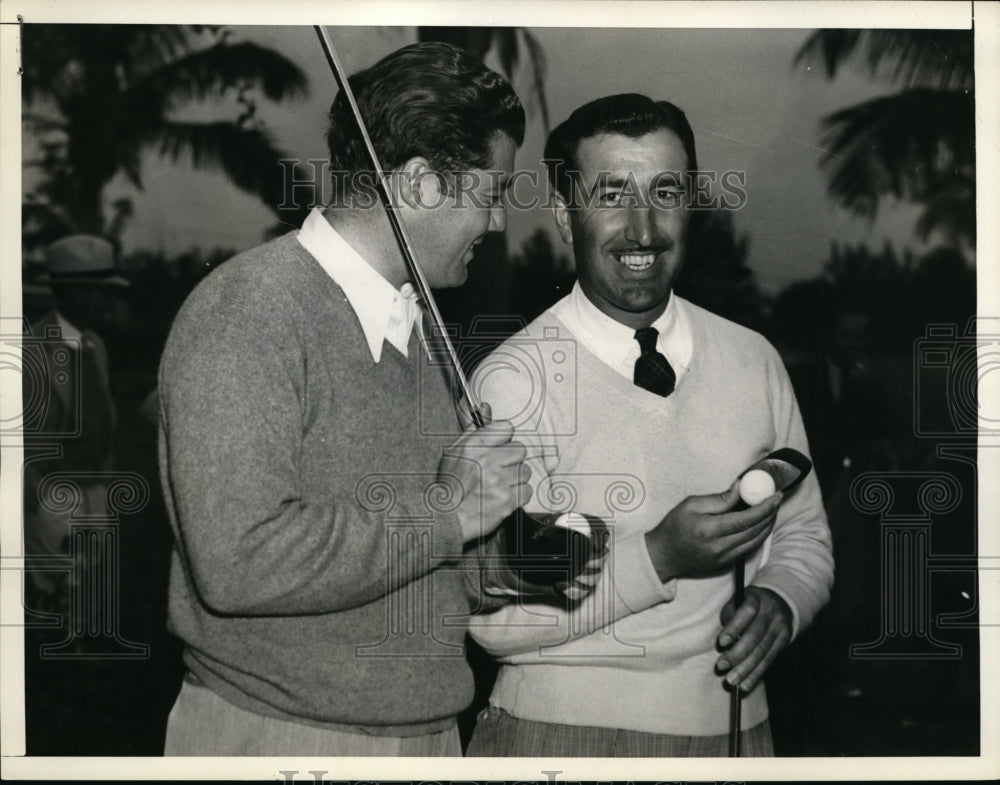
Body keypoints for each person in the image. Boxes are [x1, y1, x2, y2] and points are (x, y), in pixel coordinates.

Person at [157, 42, 541, 756]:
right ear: (422, 183)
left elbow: (412, 557)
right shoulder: (249, 310)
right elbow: (239, 560)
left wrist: (509, 564)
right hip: (281, 737)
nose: (494, 226)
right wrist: (452, 512)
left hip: (425, 736)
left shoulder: (416, 326)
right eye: (490, 194)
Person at [466, 94, 834, 756]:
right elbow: (493, 618)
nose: (643, 228)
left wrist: (782, 600)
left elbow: (805, 535)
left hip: (738, 739)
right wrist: (661, 554)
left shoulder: (754, 358)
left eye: (665, 191)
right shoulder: (512, 379)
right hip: (558, 741)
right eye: (612, 194)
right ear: (562, 213)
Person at [22, 234, 127, 599]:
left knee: (88, 577)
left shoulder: (95, 345)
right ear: (72, 292)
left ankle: (79, 644)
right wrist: (30, 489)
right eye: (100, 291)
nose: (106, 300)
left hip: (94, 483)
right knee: (57, 582)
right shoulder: (31, 351)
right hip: (51, 488)